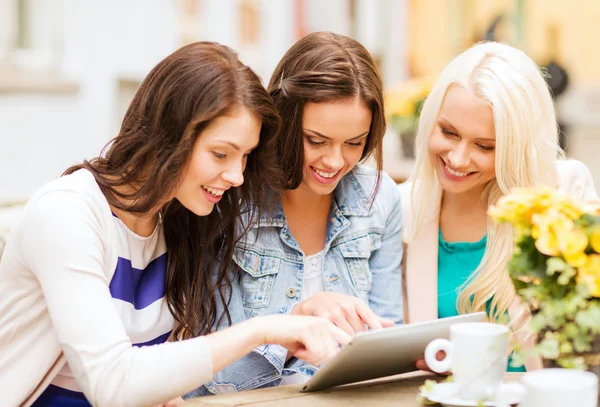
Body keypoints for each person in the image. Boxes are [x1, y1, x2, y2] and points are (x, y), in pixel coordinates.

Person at [0, 42, 352, 407]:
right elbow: (113, 384)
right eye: (221, 153)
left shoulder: (177, 220)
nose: (236, 175)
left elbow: (156, 375)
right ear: (167, 135)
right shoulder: (67, 214)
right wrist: (263, 329)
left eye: (245, 156)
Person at [187, 32, 403, 396]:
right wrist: (298, 320)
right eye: (316, 141)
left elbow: (388, 342)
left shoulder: (379, 200)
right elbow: (217, 376)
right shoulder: (228, 198)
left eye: (354, 143)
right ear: (284, 122)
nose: (335, 161)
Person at [399, 41, 597, 372]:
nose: (459, 159)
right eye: (449, 132)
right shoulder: (405, 207)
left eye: (485, 146)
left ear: (516, 147)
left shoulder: (564, 194)